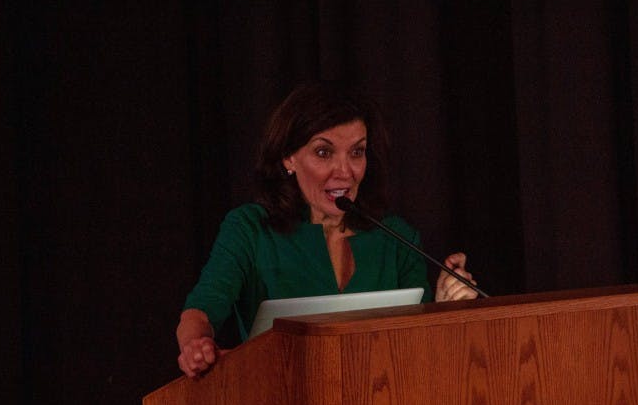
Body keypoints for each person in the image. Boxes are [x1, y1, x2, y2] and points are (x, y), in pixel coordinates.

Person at [176, 81, 478, 378]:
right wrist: (196, 346)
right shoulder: (250, 229)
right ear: (289, 158)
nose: (344, 172)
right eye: (324, 153)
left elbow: (419, 350)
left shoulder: (397, 238)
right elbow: (199, 313)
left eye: (357, 152)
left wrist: (444, 310)